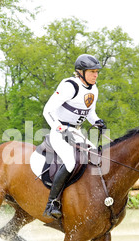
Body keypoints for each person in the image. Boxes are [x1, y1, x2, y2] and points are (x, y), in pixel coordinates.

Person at [42, 54, 106, 219]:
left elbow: (90, 112)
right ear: (81, 72)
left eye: (97, 72)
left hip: (76, 132)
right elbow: (47, 110)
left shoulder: (94, 89)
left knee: (98, 158)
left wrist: (97, 121)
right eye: (92, 72)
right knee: (71, 162)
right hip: (59, 130)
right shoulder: (69, 86)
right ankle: (52, 203)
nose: (96, 75)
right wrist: (59, 127)